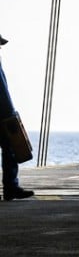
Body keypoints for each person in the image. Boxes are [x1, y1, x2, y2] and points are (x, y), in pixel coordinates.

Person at [0, 34, 34, 201]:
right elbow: (2, 90)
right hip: (2, 114)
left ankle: (11, 188)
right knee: (10, 149)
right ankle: (11, 187)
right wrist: (10, 113)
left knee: (9, 149)